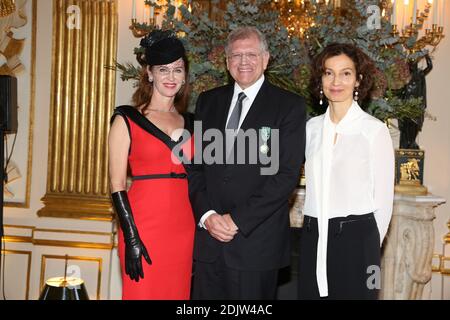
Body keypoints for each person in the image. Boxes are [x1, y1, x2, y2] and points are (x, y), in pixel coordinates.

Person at [188, 26, 306, 300]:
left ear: (266, 59)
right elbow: (195, 167)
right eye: (236, 55)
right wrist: (207, 216)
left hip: (255, 247)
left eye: (251, 54)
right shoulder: (208, 102)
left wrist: (237, 220)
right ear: (227, 62)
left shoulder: (288, 106)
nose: (244, 62)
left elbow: (285, 176)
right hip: (209, 243)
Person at [298, 43, 394, 300]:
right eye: (328, 73)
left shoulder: (373, 130)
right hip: (311, 236)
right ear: (320, 79)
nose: (336, 81)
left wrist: (369, 250)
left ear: (358, 80)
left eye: (345, 73)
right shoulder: (310, 129)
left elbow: (384, 203)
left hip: (357, 241)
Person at [108, 30, 195, 300]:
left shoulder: (193, 123)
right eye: (163, 70)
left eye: (177, 70)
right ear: (149, 73)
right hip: (143, 227)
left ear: (184, 75)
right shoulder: (126, 119)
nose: (171, 77)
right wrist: (131, 237)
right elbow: (116, 184)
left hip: (183, 228)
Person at [398, 54, 433, 149]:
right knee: (407, 125)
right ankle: (408, 143)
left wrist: (426, 55)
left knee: (416, 124)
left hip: (417, 104)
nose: (413, 65)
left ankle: (412, 142)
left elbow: (429, 67)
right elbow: (400, 90)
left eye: (415, 63)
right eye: (411, 63)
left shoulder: (420, 74)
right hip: (407, 104)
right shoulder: (405, 76)